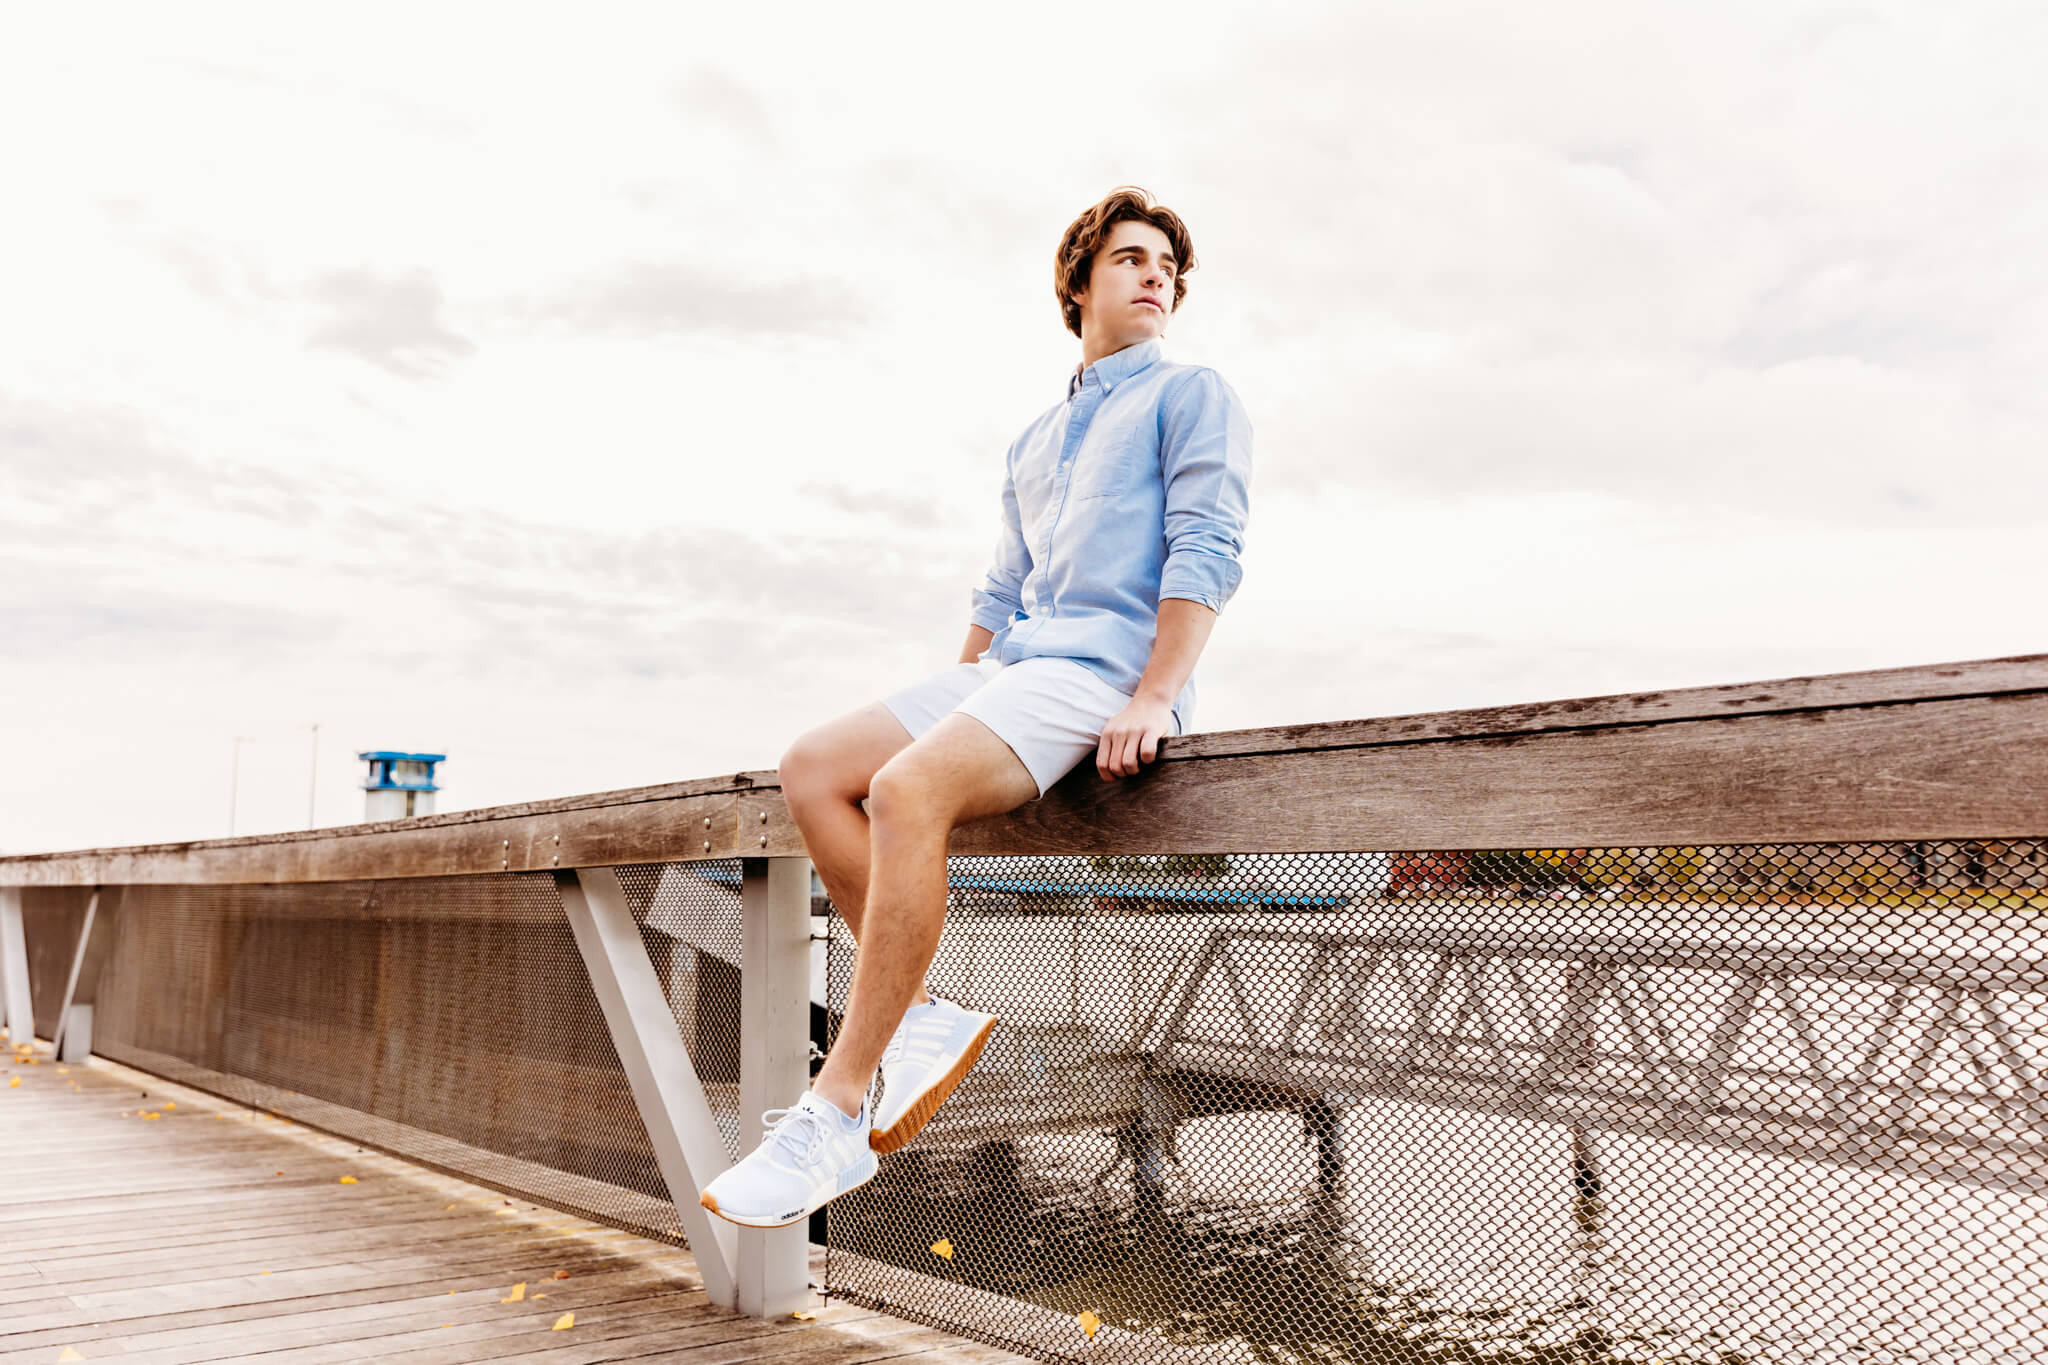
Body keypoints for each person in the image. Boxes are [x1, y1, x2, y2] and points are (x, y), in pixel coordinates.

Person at [697, 186, 1254, 1228]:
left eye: (1168, 269)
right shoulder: (1034, 440)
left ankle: (837, 1109)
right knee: (816, 767)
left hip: (1103, 677)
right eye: (1131, 259)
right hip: (1013, 670)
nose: (1156, 278)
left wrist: (1156, 694)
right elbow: (1000, 596)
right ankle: (919, 1017)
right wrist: (954, 697)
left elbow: (1207, 548)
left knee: (908, 793)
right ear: (1077, 283)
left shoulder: (1191, 394)